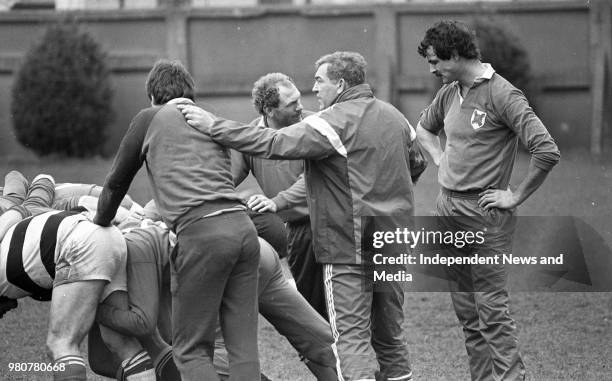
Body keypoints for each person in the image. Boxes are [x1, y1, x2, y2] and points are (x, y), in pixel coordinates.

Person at [179, 51, 427, 381]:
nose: (314, 90)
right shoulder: (395, 116)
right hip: (392, 243)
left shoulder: (330, 123)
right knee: (390, 339)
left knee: (350, 341)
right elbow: (418, 164)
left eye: (319, 82)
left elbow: (273, 143)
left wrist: (215, 126)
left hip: (348, 247)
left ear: (339, 84)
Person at [94, 59, 260, 380]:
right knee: (242, 349)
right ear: (190, 94)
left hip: (201, 234)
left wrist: (101, 221)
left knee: (191, 351)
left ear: (152, 97)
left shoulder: (149, 118)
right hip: (243, 228)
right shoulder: (207, 118)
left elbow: (116, 183)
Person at [415, 20, 561, 381]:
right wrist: (440, 160)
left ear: (455, 54)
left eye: (435, 61)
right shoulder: (450, 92)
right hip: (447, 208)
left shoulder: (503, 94)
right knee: (467, 311)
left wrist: (515, 196)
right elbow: (423, 129)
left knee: (490, 309)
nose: (432, 69)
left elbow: (546, 150)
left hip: (484, 215)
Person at [87, 210, 338, 380]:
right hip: (258, 250)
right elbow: (99, 361)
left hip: (218, 263)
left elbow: (140, 327)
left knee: (197, 353)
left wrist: (90, 306)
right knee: (314, 336)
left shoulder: (126, 243)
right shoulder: (134, 220)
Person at [0, 175, 132, 381]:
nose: (11, 309)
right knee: (118, 347)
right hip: (114, 235)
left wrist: (23, 205)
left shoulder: (16, 213)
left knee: (60, 344)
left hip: (82, 236)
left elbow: (23, 189)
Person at [233, 72, 327, 318]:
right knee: (311, 307)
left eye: (298, 99)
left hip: (330, 222)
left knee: (340, 304)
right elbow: (221, 178)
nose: (301, 106)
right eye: (292, 103)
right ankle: (323, 354)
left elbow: (312, 180)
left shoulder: (315, 126)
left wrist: (275, 201)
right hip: (295, 230)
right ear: (269, 110)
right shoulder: (251, 137)